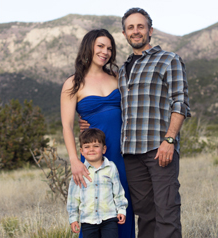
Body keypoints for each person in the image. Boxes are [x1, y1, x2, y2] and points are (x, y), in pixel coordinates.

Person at [80, 8, 191, 238]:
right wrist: (89, 121)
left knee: (167, 210)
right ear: (124, 33)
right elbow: (112, 107)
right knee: (145, 213)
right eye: (130, 27)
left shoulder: (168, 60)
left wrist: (169, 139)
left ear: (150, 30)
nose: (136, 31)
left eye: (141, 26)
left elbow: (180, 102)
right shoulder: (122, 70)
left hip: (159, 149)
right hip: (129, 154)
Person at [61, 29, 135, 238]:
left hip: (122, 155)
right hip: (94, 157)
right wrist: (75, 161)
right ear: (89, 46)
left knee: (122, 209)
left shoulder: (117, 76)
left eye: (109, 48)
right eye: (100, 46)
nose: (105, 52)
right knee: (93, 210)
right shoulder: (73, 83)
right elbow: (66, 126)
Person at [67, 128, 127, 238]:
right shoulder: (79, 171)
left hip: (109, 218)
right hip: (88, 221)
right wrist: (73, 218)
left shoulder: (111, 167)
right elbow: (73, 197)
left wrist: (121, 209)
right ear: (81, 151)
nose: (91, 150)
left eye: (96, 146)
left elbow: (118, 192)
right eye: (87, 147)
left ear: (104, 149)